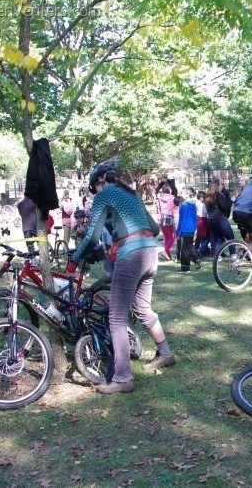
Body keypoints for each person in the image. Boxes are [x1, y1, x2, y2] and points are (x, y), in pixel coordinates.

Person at [66, 160, 172, 395]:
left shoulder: (104, 195)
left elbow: (92, 236)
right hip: (150, 253)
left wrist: (73, 260)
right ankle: (165, 353)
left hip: (131, 256)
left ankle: (123, 377)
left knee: (116, 318)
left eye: (95, 187)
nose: (95, 191)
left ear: (98, 183)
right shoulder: (130, 194)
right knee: (143, 309)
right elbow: (154, 228)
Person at [204, 178, 234, 255]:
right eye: (221, 185)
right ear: (217, 186)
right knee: (231, 238)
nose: (222, 186)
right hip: (220, 219)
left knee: (218, 239)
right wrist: (230, 201)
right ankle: (233, 255)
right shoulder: (219, 195)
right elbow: (225, 207)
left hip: (211, 220)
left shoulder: (207, 196)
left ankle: (217, 257)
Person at [174, 188, 201, 273]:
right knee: (189, 246)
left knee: (184, 250)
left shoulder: (183, 206)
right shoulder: (193, 205)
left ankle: (185, 268)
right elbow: (195, 218)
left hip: (185, 229)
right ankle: (196, 259)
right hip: (192, 229)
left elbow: (182, 220)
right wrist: (195, 229)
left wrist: (178, 232)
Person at [155, 186, 177, 261]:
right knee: (172, 237)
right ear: (169, 191)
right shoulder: (172, 198)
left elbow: (157, 210)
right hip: (168, 218)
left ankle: (167, 254)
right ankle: (165, 251)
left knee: (167, 237)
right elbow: (175, 207)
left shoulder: (158, 199)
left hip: (160, 218)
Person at [195, 190, 210, 257]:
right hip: (203, 220)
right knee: (207, 237)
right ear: (201, 197)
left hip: (198, 220)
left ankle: (197, 249)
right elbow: (206, 213)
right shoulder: (202, 204)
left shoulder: (195, 203)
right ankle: (201, 250)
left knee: (199, 237)